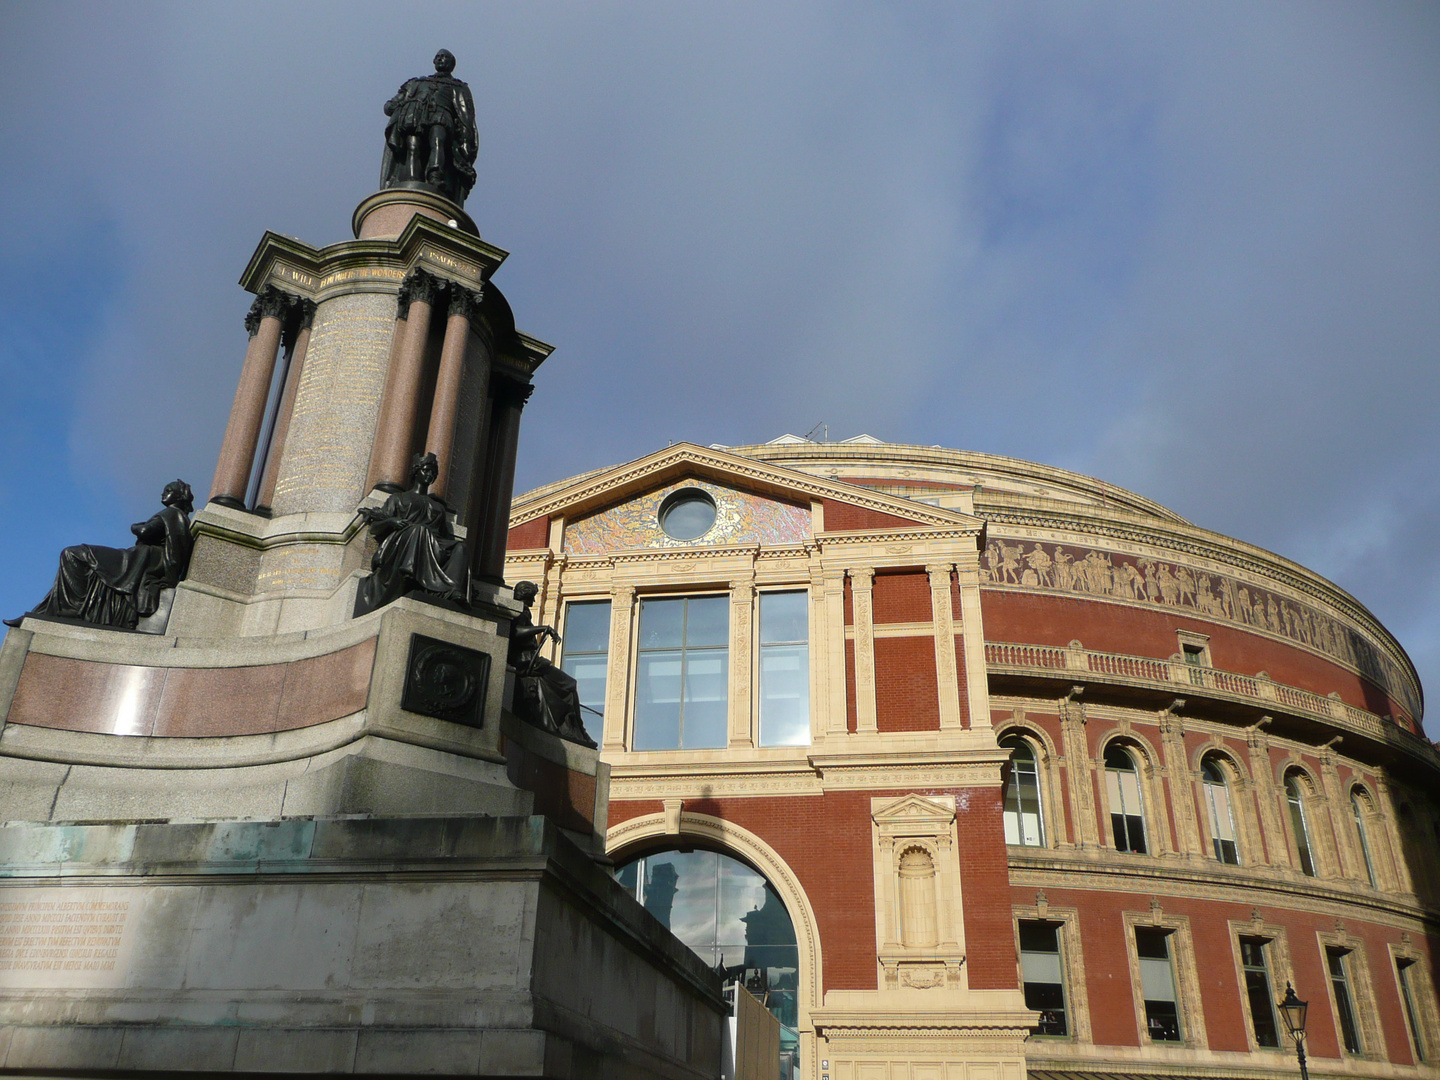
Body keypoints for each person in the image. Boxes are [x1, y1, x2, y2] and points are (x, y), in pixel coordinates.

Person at [6, 480, 194, 630]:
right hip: (139, 560)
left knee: (73, 554)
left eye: (168, 490)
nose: (163, 493)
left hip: (141, 561)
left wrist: (134, 526)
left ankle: (68, 610)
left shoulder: (171, 514)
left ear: (178, 496)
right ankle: (42, 613)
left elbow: (144, 531)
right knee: (74, 556)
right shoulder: (178, 517)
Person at [354, 452, 467, 616]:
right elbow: (376, 527)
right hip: (403, 543)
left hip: (433, 545)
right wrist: (392, 522)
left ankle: (454, 589)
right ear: (416, 471)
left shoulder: (438, 507)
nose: (429, 475)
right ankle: (409, 573)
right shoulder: (398, 498)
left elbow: (444, 537)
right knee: (420, 530)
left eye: (433, 473)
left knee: (460, 546)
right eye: (426, 470)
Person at [380, 49, 479, 205]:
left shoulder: (458, 87)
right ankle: (412, 177)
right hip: (414, 117)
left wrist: (466, 143)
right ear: (434, 61)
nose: (441, 59)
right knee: (413, 146)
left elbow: (465, 117)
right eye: (438, 57)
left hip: (441, 117)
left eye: (445, 57)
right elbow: (391, 106)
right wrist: (397, 104)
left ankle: (435, 176)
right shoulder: (417, 83)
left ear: (451, 64)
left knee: (437, 142)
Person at [507, 581, 596, 748]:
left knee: (564, 685)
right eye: (532, 597)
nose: (534, 601)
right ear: (526, 596)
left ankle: (573, 728)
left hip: (530, 660)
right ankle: (579, 731)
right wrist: (544, 628)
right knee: (570, 683)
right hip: (526, 662)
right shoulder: (518, 610)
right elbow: (517, 632)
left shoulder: (521, 610)